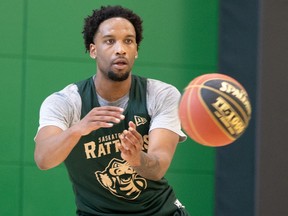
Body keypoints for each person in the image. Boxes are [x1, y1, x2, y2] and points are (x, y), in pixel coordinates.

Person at [34, 5, 189, 216]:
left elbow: (159, 166)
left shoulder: (160, 94)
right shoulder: (66, 102)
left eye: (128, 41)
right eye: (109, 41)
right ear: (93, 50)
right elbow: (43, 159)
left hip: (160, 212)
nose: (120, 49)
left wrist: (137, 159)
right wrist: (77, 129)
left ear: (136, 51)